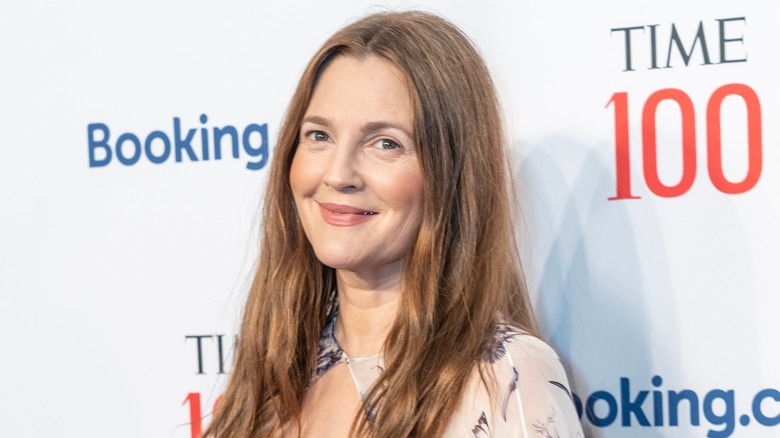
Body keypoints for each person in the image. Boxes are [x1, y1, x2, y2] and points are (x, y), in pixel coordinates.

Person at [204, 10, 584, 438]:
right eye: (319, 136)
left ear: (451, 175)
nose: (337, 174)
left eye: (385, 143)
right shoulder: (277, 368)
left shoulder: (504, 374)